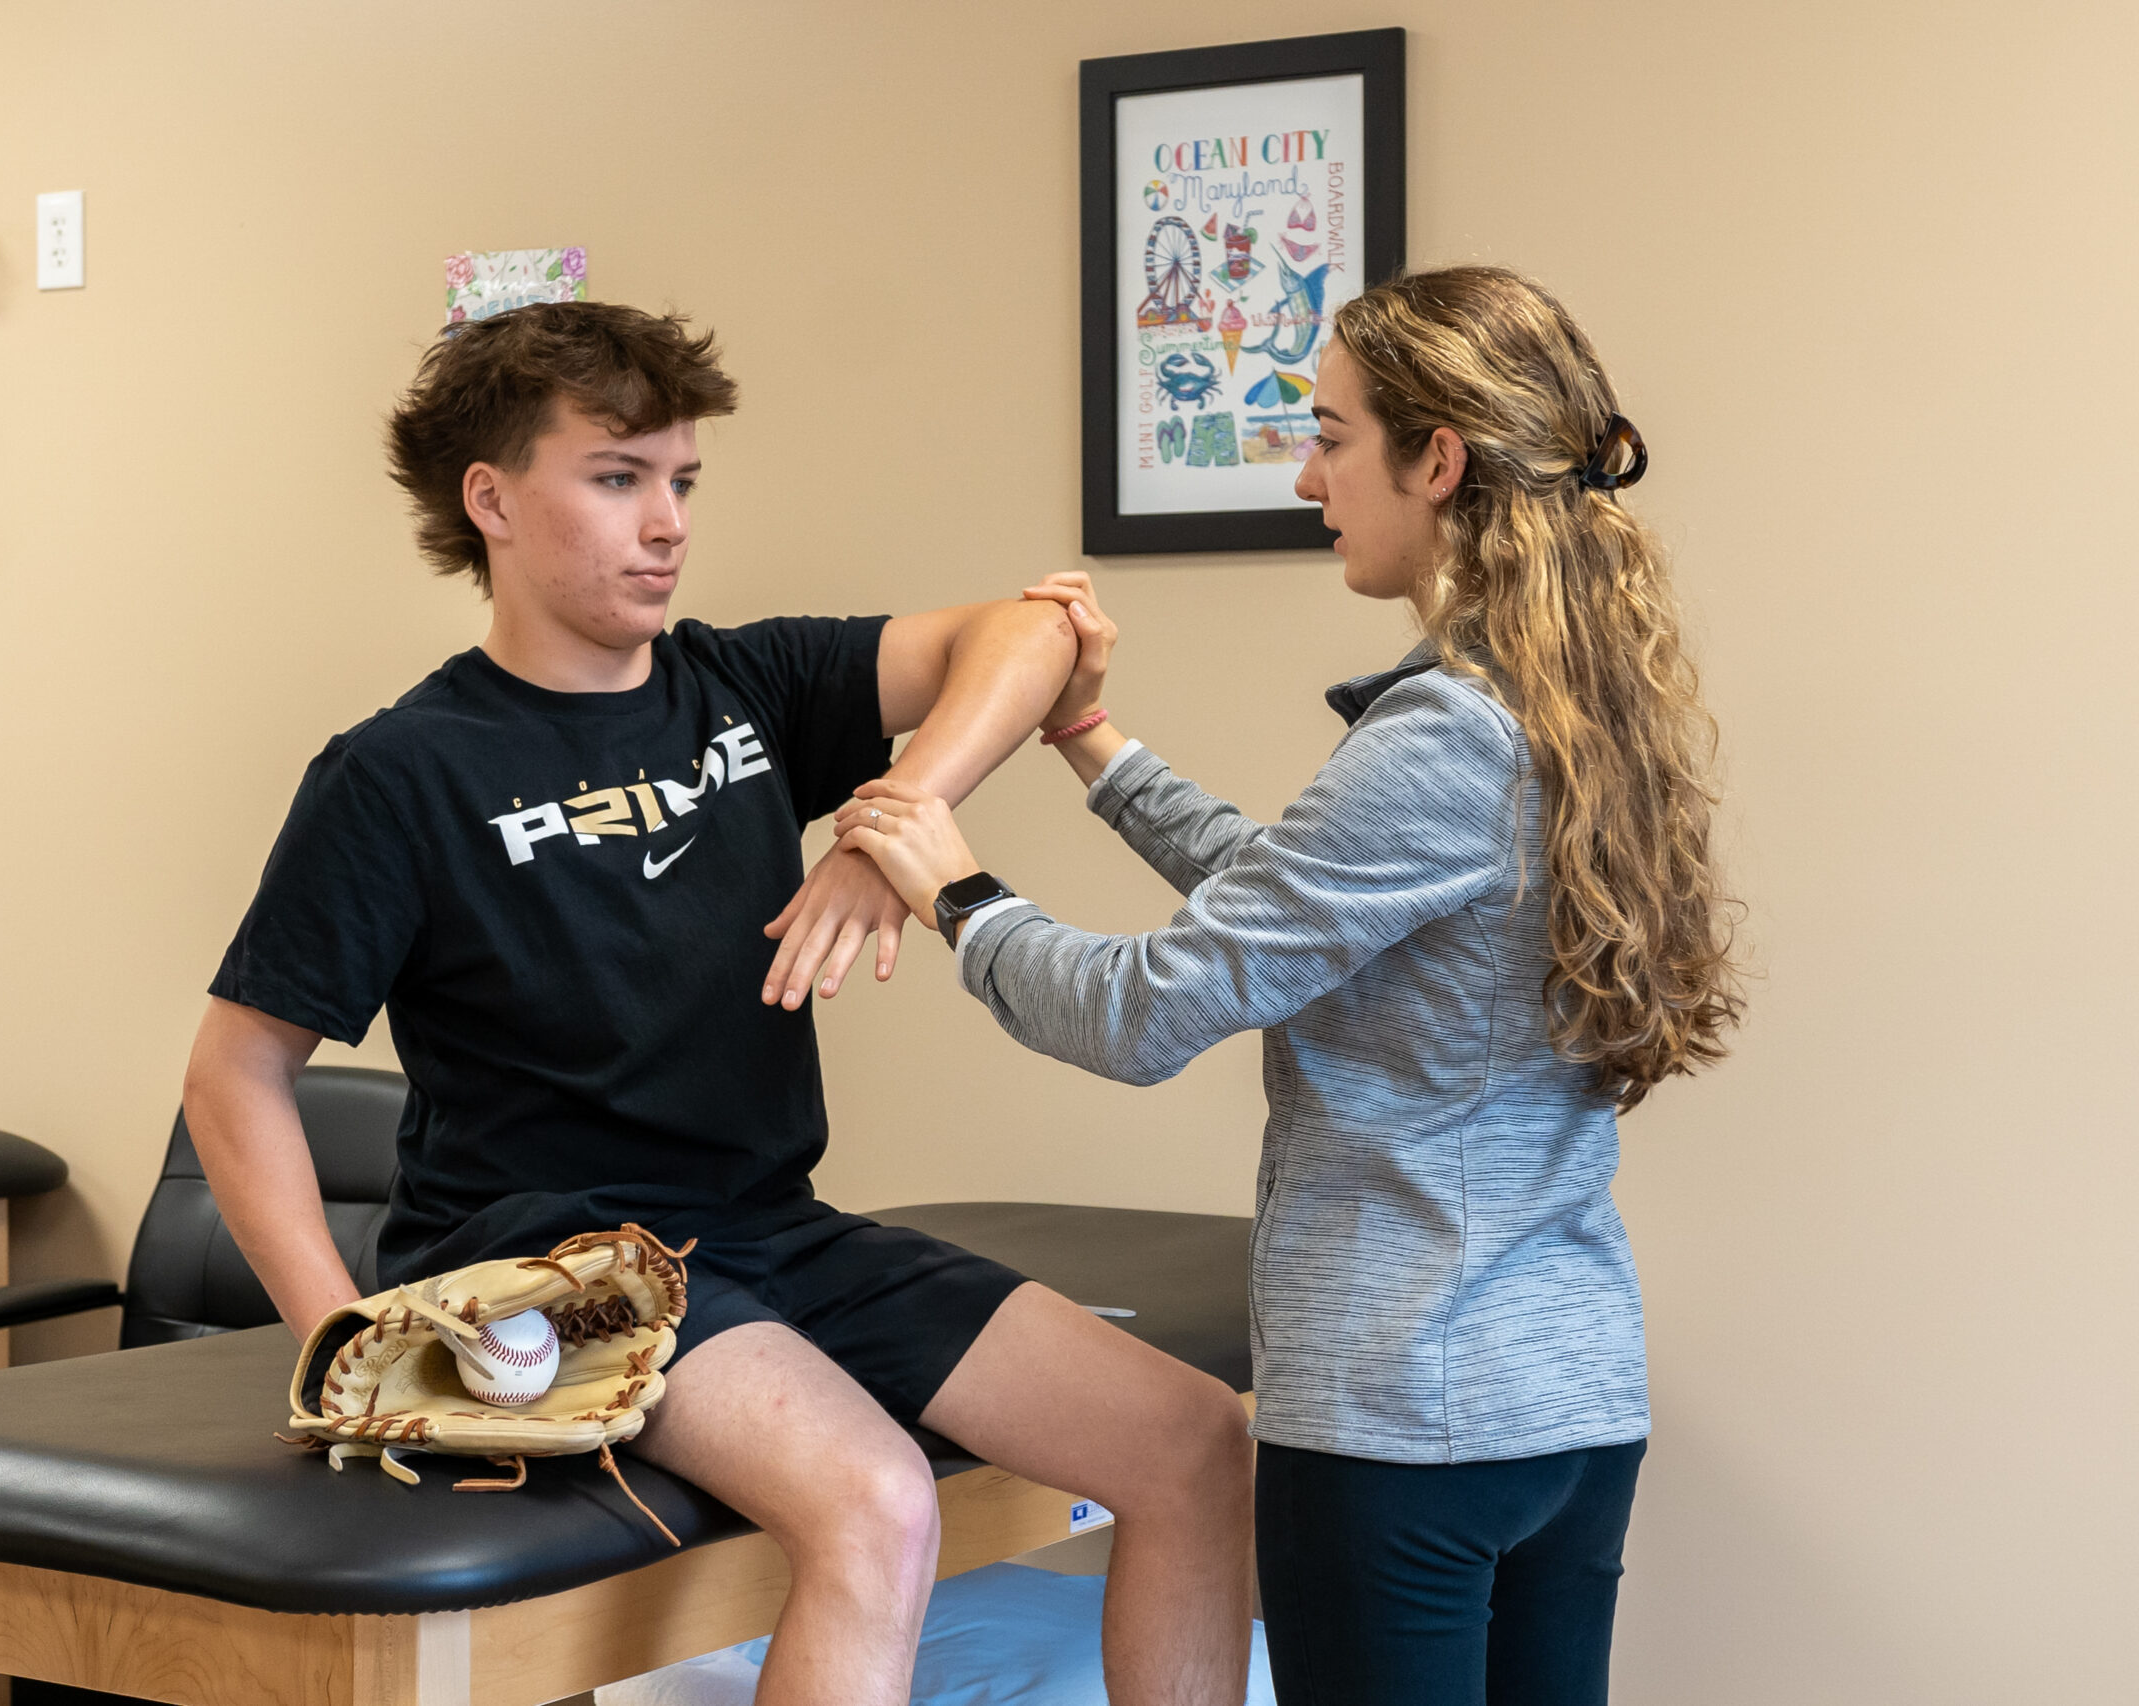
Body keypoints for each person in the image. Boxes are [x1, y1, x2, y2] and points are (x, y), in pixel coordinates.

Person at [181, 302, 1252, 1706]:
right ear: (492, 500)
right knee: (878, 1504)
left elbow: (1035, 629)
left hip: (768, 1229)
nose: (666, 522)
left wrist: (895, 815)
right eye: (617, 478)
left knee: (1193, 1438)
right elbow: (233, 1074)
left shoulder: (741, 689)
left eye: (681, 481)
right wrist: (341, 1343)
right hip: (553, 1264)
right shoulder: (398, 773)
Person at [838, 266, 1744, 1706]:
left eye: (1329, 433)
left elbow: (1144, 1014)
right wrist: (1094, 744)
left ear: (1436, 459)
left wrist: (958, 890)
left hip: (1405, 1424)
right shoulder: (1565, 705)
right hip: (1563, 1411)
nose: (1307, 469)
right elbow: (1311, 898)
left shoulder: (1445, 732)